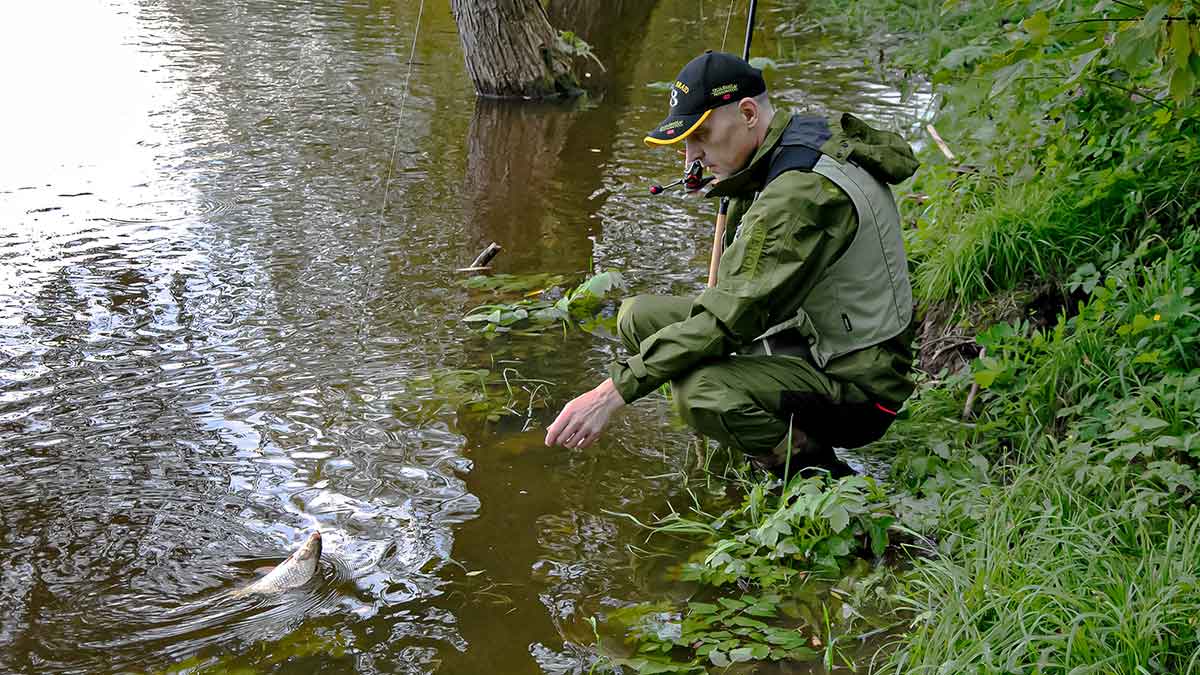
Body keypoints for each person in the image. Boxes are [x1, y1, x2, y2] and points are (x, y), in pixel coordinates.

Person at [544, 51, 919, 478]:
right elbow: (740, 289)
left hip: (860, 386)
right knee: (636, 316)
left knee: (698, 393)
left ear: (747, 113)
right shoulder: (791, 139)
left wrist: (609, 394)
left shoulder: (798, 195)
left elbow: (727, 317)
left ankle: (817, 476)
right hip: (808, 333)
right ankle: (750, 419)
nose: (691, 160)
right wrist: (734, 183)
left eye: (701, 137)